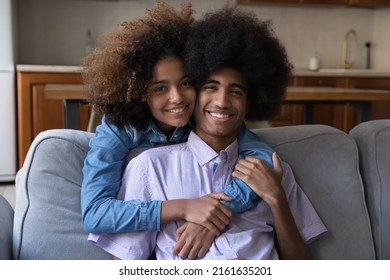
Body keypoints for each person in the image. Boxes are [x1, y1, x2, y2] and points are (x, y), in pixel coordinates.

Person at [88, 6, 327, 260]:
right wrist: (187, 209)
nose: (222, 102)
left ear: (250, 102)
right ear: (197, 96)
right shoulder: (149, 169)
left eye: (236, 91)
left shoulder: (271, 170)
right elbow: (115, 252)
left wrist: (276, 198)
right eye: (211, 87)